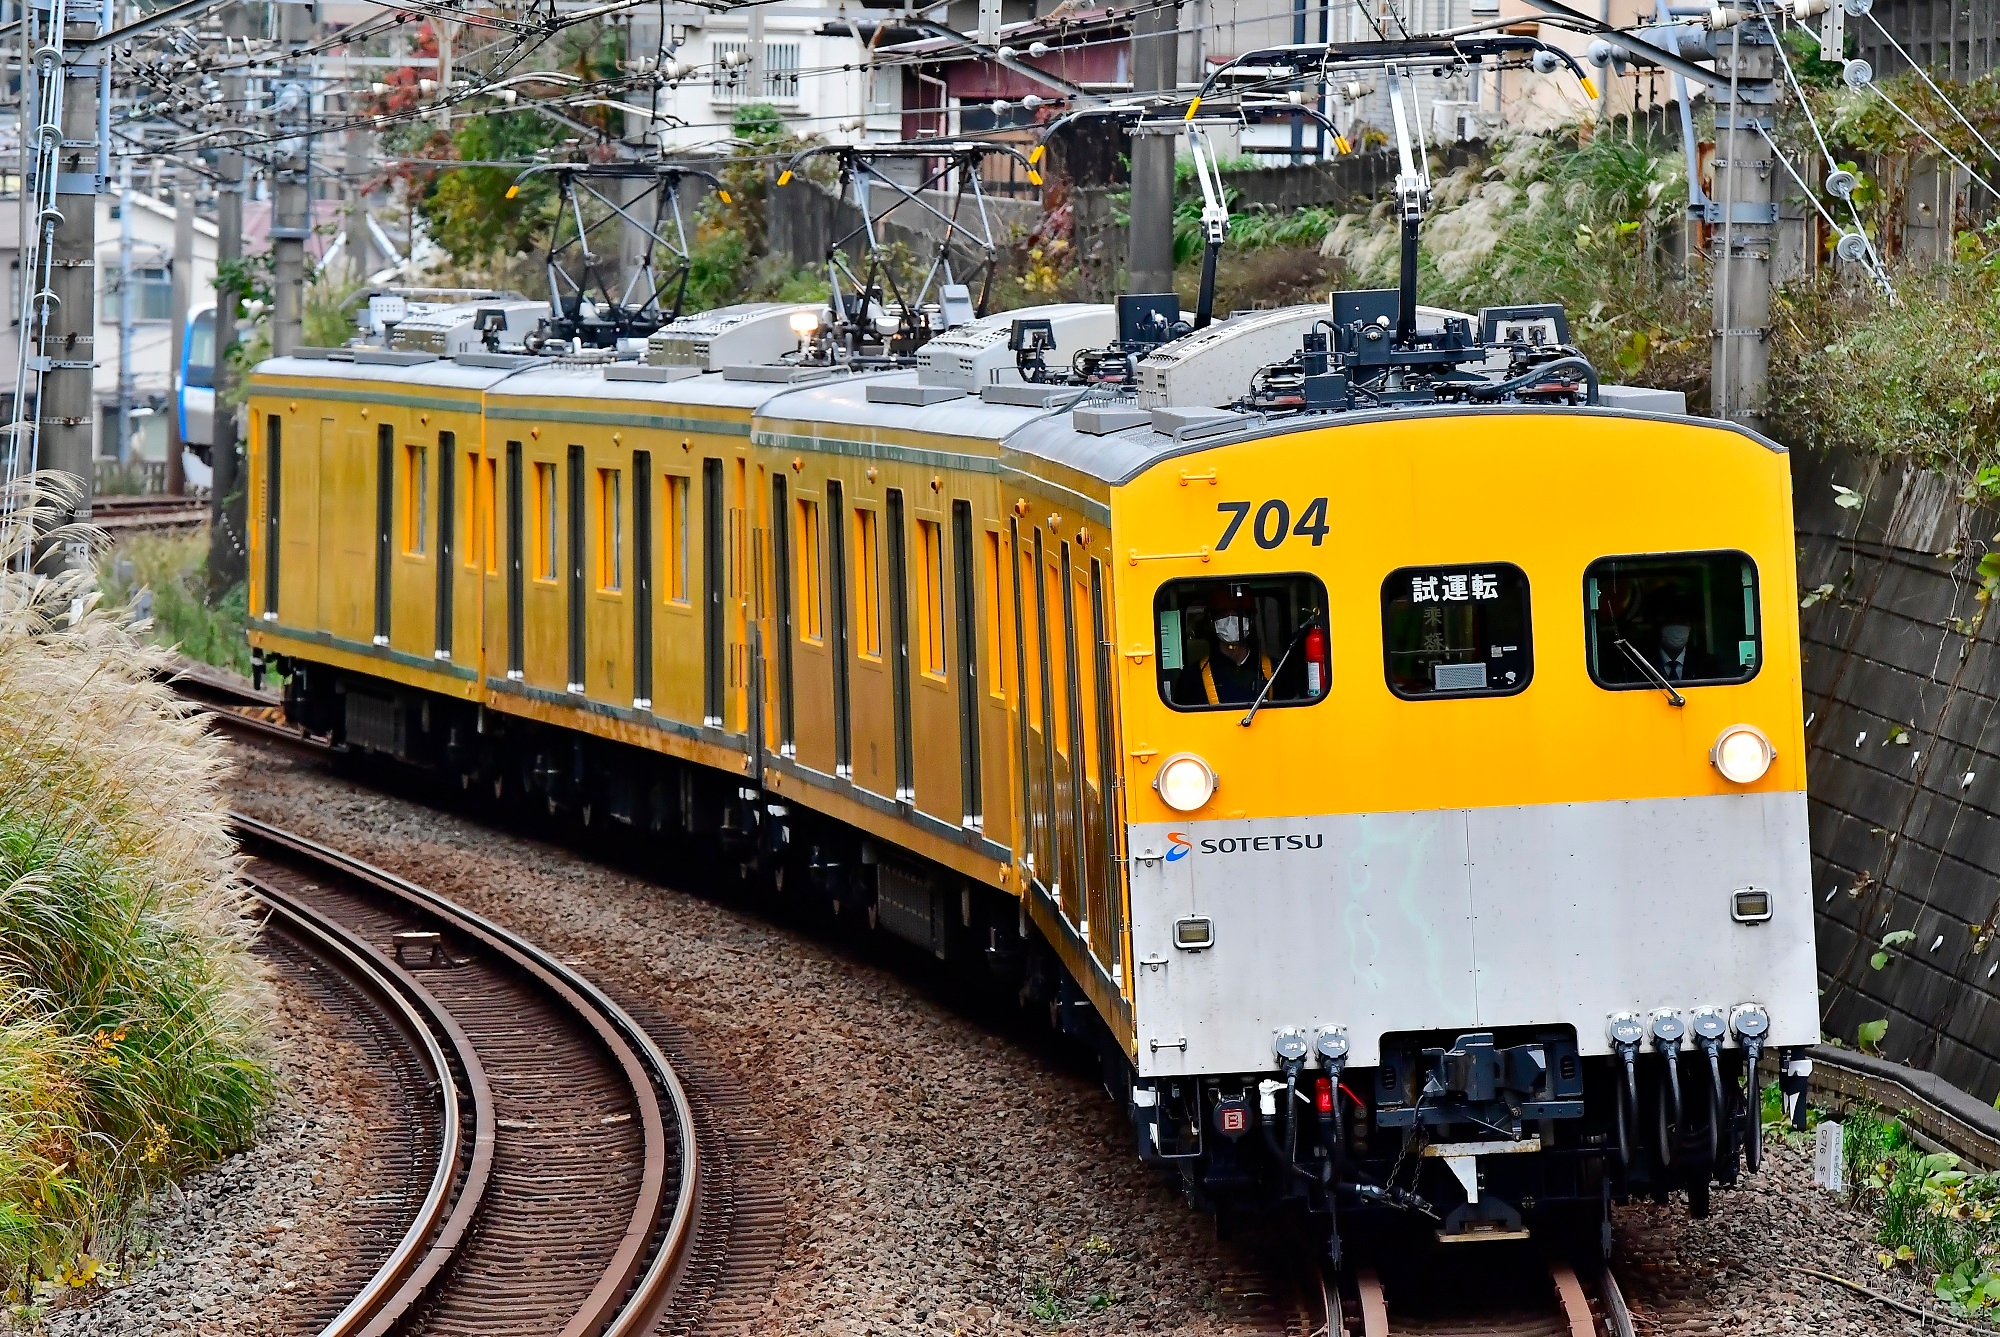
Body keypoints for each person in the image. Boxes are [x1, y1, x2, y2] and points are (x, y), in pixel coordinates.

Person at [1179, 588, 1273, 706]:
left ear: (1251, 619)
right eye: (1223, 614)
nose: (1230, 621)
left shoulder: (1275, 669)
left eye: (1238, 613)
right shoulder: (1192, 676)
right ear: (1212, 620)